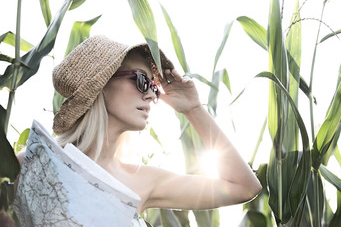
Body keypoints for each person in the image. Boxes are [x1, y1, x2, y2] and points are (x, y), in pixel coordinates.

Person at [16, 35, 261, 226]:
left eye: (154, 87)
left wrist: (194, 109)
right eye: (142, 80)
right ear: (101, 84)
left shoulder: (143, 181)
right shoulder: (32, 161)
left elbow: (244, 187)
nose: (151, 94)